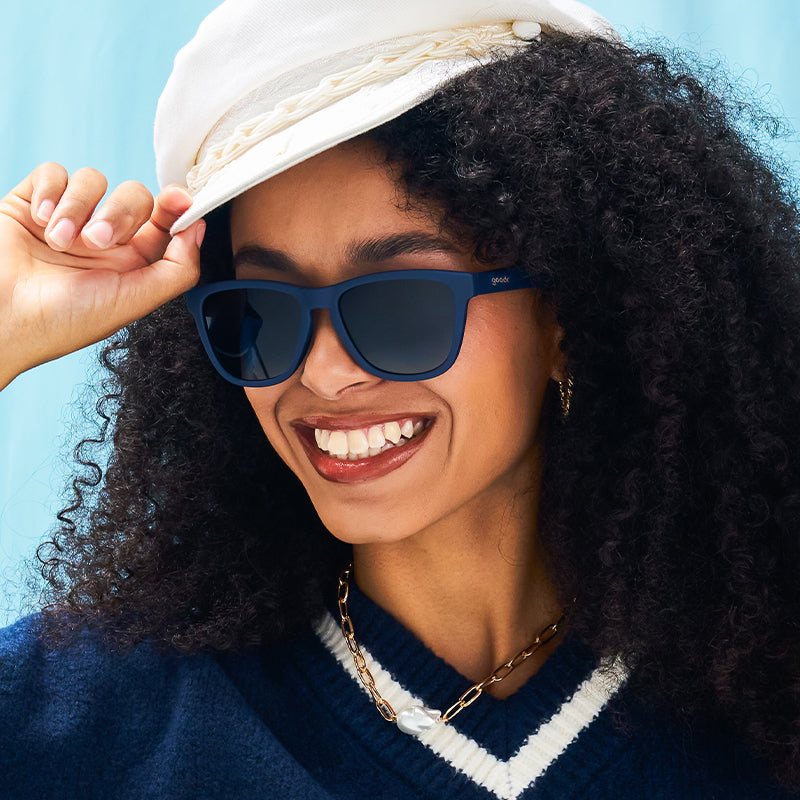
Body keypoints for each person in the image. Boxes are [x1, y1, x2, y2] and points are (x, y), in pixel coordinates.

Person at [0, 0, 798, 797]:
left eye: (401, 302)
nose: (322, 373)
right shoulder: (82, 722)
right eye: (265, 312)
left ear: (567, 311)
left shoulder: (764, 708)